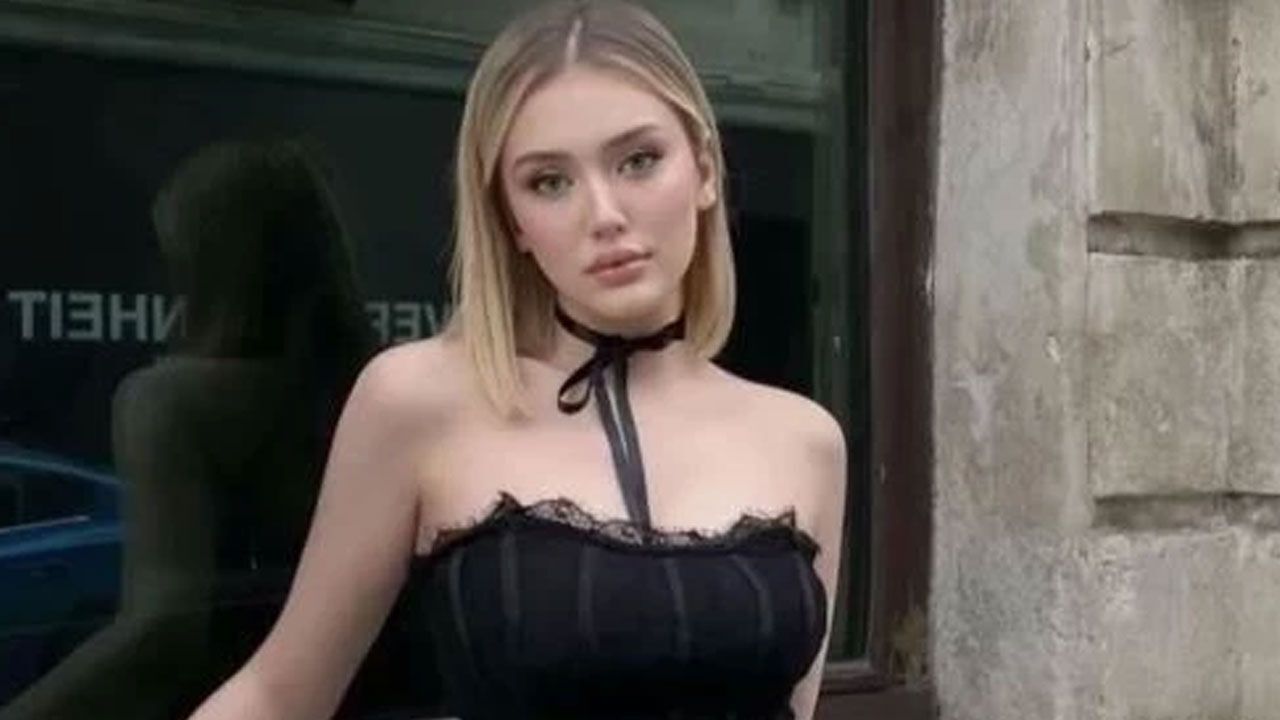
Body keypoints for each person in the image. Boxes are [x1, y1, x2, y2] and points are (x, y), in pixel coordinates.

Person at [189, 1, 847, 718]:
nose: (604, 214)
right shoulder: (420, 401)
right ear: (512, 221)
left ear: (706, 170)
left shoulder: (802, 440)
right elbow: (279, 694)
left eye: (639, 161)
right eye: (549, 182)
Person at [2, 139, 376, 720]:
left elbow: (162, 633)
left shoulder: (172, 403)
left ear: (208, 265)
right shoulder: (378, 391)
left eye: (172, 257)